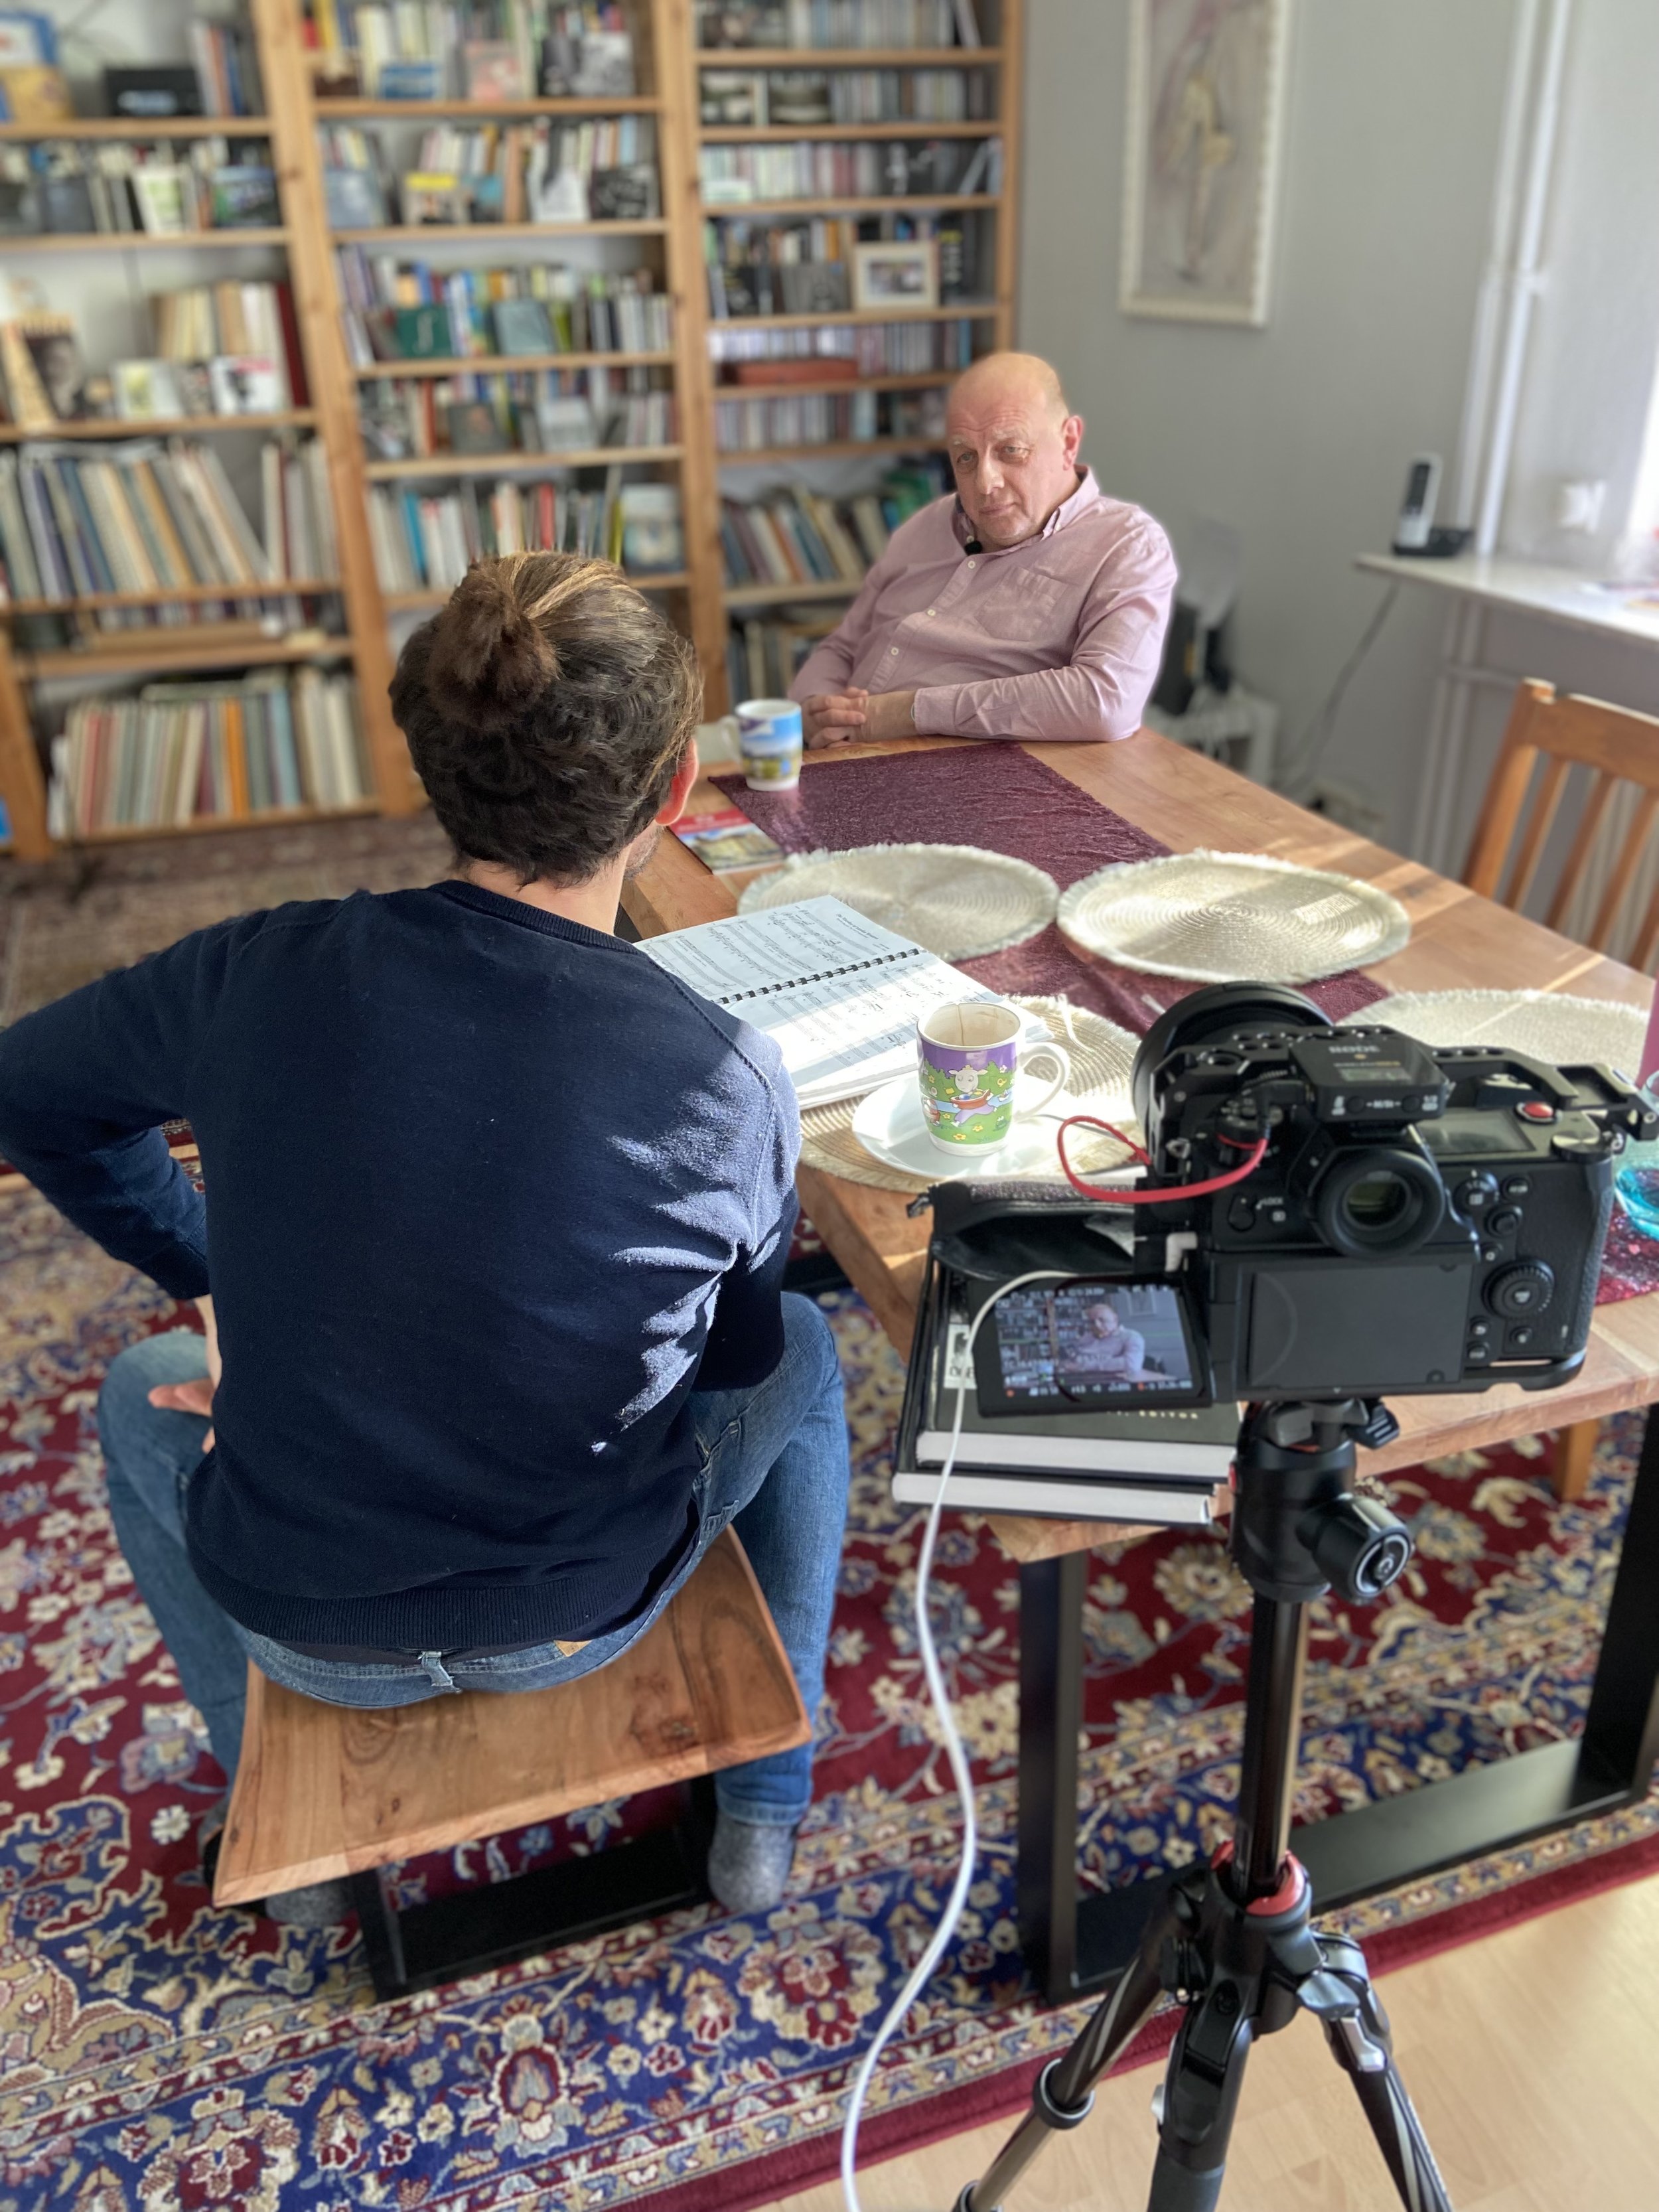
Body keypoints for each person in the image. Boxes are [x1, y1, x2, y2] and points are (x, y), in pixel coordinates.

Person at [0, 553, 851, 1927]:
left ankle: (288, 1844)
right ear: (672, 798)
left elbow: (28, 1091)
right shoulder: (727, 1073)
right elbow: (731, 1364)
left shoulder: (250, 969)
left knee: (129, 1388)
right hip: (581, 1605)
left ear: (430, 769)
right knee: (807, 1345)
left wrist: (216, 1273)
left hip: (307, 1617)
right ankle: (767, 1798)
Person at [791, 350, 1177, 751]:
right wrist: (811, 710)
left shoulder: (1127, 545)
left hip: (956, 779)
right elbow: (842, 646)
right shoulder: (926, 524)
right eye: (965, 457)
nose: (985, 482)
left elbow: (1106, 700)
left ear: (1069, 441)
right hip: (826, 758)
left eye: (1011, 450)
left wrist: (899, 714)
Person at [1061, 1301, 1149, 1384]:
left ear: (1115, 1319)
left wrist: (1083, 1366)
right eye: (1092, 1322)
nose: (1097, 1325)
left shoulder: (1131, 1337)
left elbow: (1131, 1365)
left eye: (1102, 1320)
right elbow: (1071, 1357)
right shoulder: (1087, 1337)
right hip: (1080, 1382)